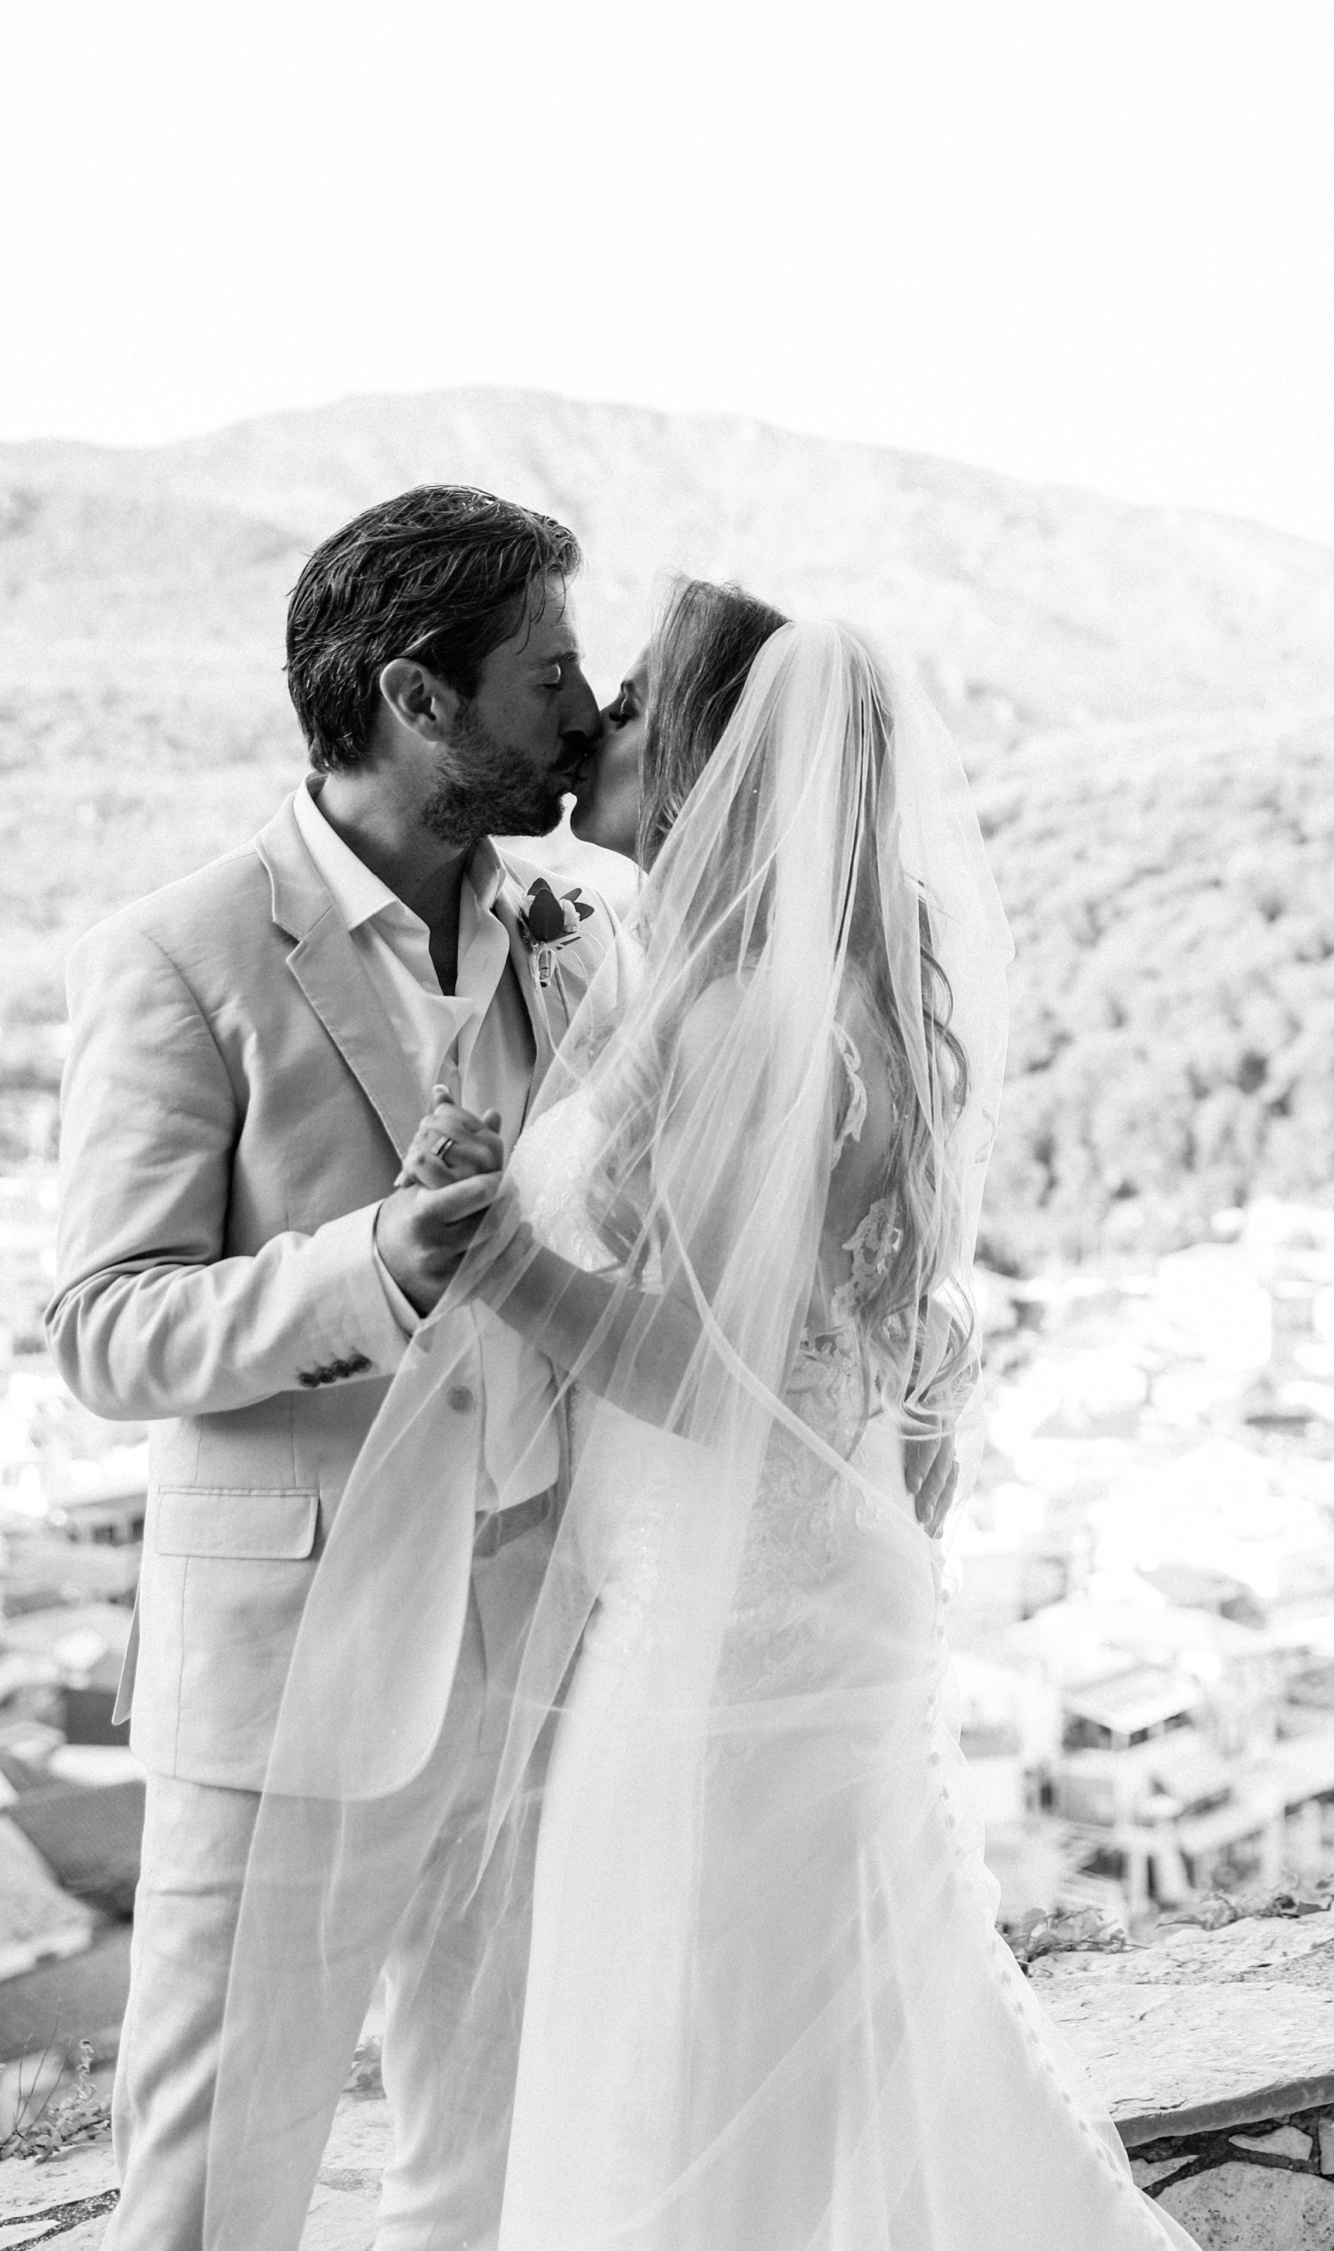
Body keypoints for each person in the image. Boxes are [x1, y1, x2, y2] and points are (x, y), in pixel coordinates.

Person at [210, 579, 1199, 2247]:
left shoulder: (751, 1010)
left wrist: (496, 1263)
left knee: (700, 2051)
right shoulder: (708, 977)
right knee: (745, 2048)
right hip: (710, 1584)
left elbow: (706, 1372)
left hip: (739, 1621)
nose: (594, 726)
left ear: (711, 769)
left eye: (637, 706)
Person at [45, 485, 617, 2251]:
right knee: (217, 2187)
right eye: (549, 675)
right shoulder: (180, 953)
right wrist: (369, 1267)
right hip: (291, 1671)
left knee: (492, 2160)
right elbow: (107, 1329)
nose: (586, 716)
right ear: (414, 700)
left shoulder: (570, 924)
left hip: (533, 1632)